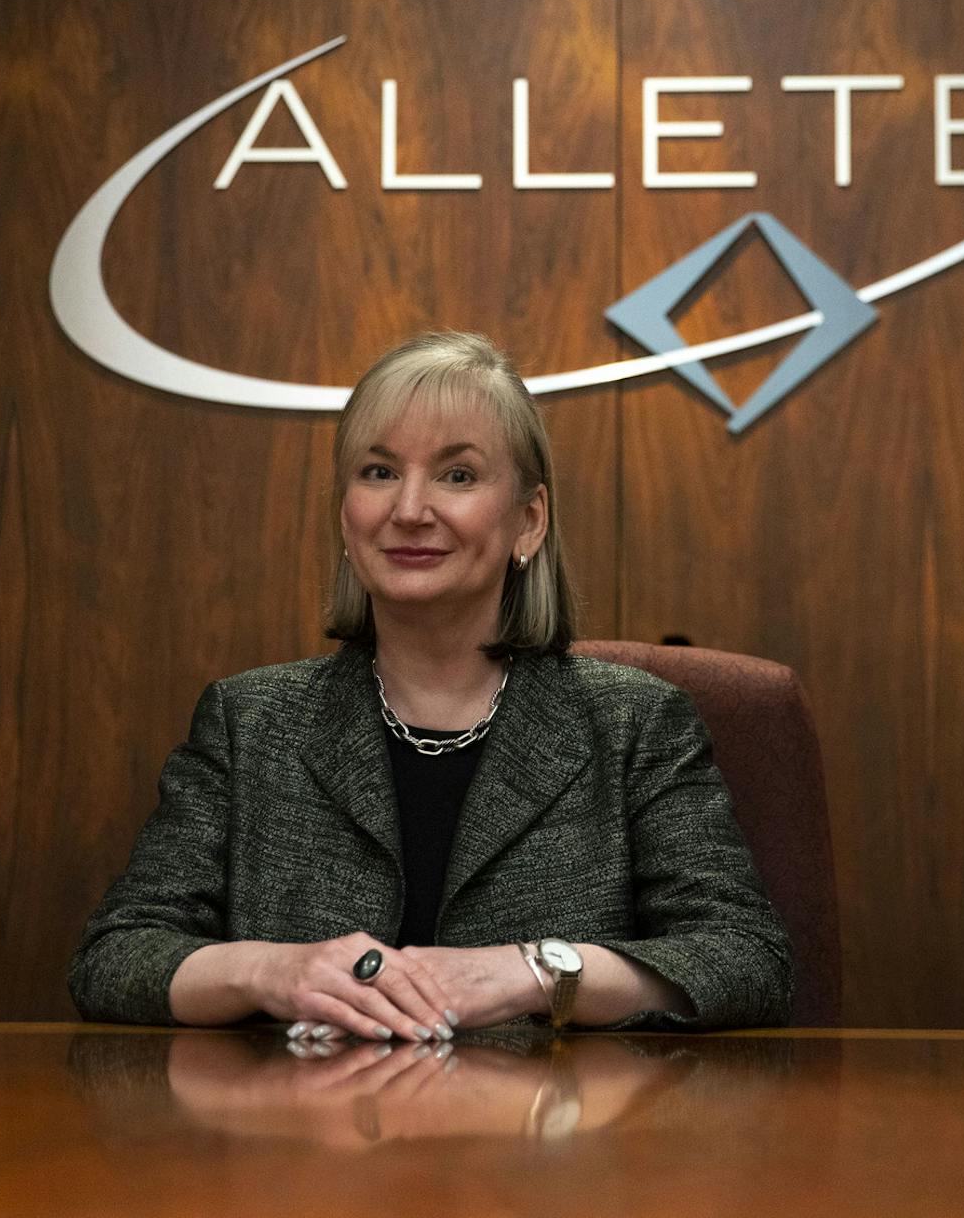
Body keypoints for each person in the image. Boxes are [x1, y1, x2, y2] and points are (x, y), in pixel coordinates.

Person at [69, 331, 790, 1039]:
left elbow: (745, 959)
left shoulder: (635, 723)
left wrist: (535, 972)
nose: (409, 509)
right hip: (308, 1117)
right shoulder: (248, 721)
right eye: (379, 472)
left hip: (546, 1117)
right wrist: (271, 970)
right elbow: (115, 957)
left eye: (458, 476)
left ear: (529, 521)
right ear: (345, 515)